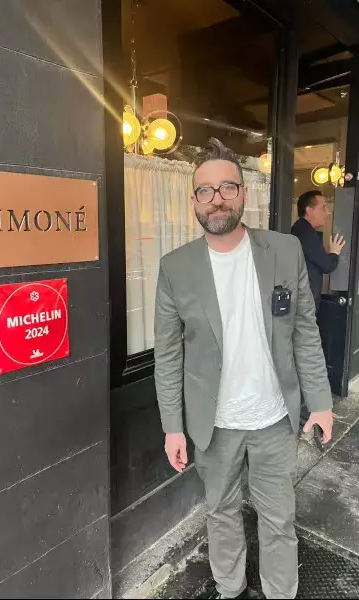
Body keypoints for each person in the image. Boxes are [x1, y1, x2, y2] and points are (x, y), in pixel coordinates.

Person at [154, 138, 333, 600]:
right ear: (194, 200)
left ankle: (281, 593)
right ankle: (230, 589)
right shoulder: (175, 268)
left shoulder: (285, 250)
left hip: (274, 418)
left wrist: (320, 402)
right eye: (206, 190)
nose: (217, 198)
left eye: (227, 187)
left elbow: (304, 330)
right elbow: (168, 355)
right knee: (221, 514)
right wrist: (173, 427)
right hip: (213, 425)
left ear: (243, 194)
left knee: (279, 519)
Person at [291, 190, 345, 313]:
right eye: (323, 207)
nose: (328, 212)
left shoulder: (302, 229)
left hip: (302, 300)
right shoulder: (305, 232)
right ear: (309, 210)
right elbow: (327, 265)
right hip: (304, 304)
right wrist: (334, 252)